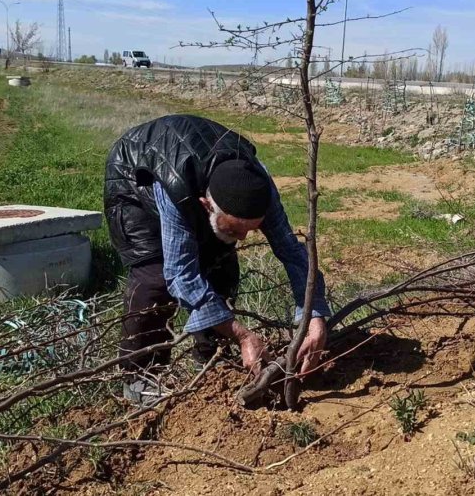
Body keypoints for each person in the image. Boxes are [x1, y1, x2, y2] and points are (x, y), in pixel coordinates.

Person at [104, 114, 330, 404]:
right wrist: (244, 336)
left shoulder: (258, 189)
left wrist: (314, 317)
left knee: (220, 265)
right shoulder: (176, 190)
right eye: (237, 228)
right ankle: (141, 376)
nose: (245, 238)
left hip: (196, 173)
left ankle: (211, 358)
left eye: (252, 228)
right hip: (135, 176)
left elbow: (292, 252)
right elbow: (180, 273)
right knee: (155, 279)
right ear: (205, 204)